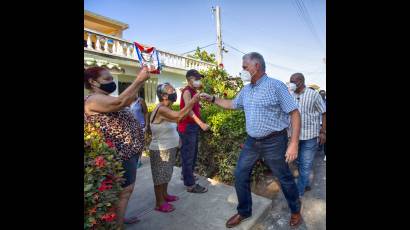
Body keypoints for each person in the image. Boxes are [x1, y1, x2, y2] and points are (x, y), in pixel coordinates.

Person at [201, 52, 303, 228]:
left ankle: (295, 210)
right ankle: (244, 211)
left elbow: (294, 113)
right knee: (240, 174)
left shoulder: (275, 86)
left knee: (284, 177)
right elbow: (232, 104)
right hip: (252, 142)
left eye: (244, 67)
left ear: (256, 66)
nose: (242, 70)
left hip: (274, 142)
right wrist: (212, 99)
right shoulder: (246, 90)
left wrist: (293, 143)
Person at [84, 66, 151, 228]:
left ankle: (119, 217)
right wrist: (138, 79)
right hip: (120, 153)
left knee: (123, 191)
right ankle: (118, 225)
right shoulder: (92, 99)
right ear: (93, 82)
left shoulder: (105, 96)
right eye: (107, 79)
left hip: (129, 151)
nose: (112, 82)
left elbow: (127, 99)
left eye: (112, 78)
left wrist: (140, 83)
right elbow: (119, 102)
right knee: (125, 191)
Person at [148, 83, 201, 212]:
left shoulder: (168, 109)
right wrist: (192, 101)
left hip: (169, 148)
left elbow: (178, 118)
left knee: (166, 174)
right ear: (164, 95)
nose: (174, 92)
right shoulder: (161, 109)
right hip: (160, 150)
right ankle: (159, 203)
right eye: (171, 90)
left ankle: (165, 195)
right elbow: (178, 116)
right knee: (160, 177)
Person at [289, 73, 326, 196]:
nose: (291, 83)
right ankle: (306, 182)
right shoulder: (290, 95)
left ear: (301, 81)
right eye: (290, 81)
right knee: (299, 162)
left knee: (305, 164)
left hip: (310, 136)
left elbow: (324, 113)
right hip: (295, 137)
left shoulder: (314, 95)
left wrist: (323, 131)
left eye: (293, 81)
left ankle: (298, 192)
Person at [177, 69, 210, 193]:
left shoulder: (193, 91)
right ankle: (190, 185)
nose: (199, 81)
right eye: (197, 79)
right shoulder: (187, 92)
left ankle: (186, 174)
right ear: (190, 79)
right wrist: (201, 123)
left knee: (191, 153)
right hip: (187, 127)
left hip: (191, 127)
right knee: (189, 155)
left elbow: (193, 107)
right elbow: (188, 111)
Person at [130, 94, 149, 168]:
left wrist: (147, 125)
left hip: (141, 126)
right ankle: (134, 159)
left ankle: (139, 160)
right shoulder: (127, 101)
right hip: (131, 126)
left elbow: (146, 113)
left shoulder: (140, 101)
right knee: (132, 143)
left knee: (140, 143)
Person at [319, 90, 326, 161]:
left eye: (323, 94)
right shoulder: (317, 102)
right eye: (321, 94)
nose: (322, 95)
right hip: (318, 122)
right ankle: (319, 146)